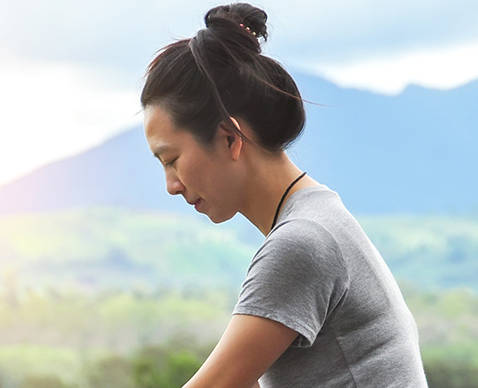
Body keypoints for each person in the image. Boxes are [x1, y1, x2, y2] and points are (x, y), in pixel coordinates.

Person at [139, 3, 428, 387]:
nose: (171, 185)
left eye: (171, 159)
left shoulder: (302, 243)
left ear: (229, 138)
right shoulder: (318, 217)